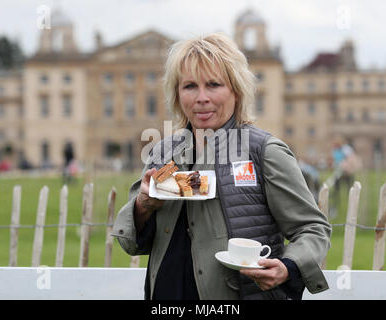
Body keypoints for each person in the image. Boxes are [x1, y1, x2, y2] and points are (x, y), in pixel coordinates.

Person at [112, 33, 331, 300]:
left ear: (236, 91)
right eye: (190, 86)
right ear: (177, 94)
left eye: (214, 85)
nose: (201, 98)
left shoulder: (264, 152)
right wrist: (143, 205)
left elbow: (312, 228)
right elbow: (131, 241)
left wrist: (289, 266)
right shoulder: (164, 152)